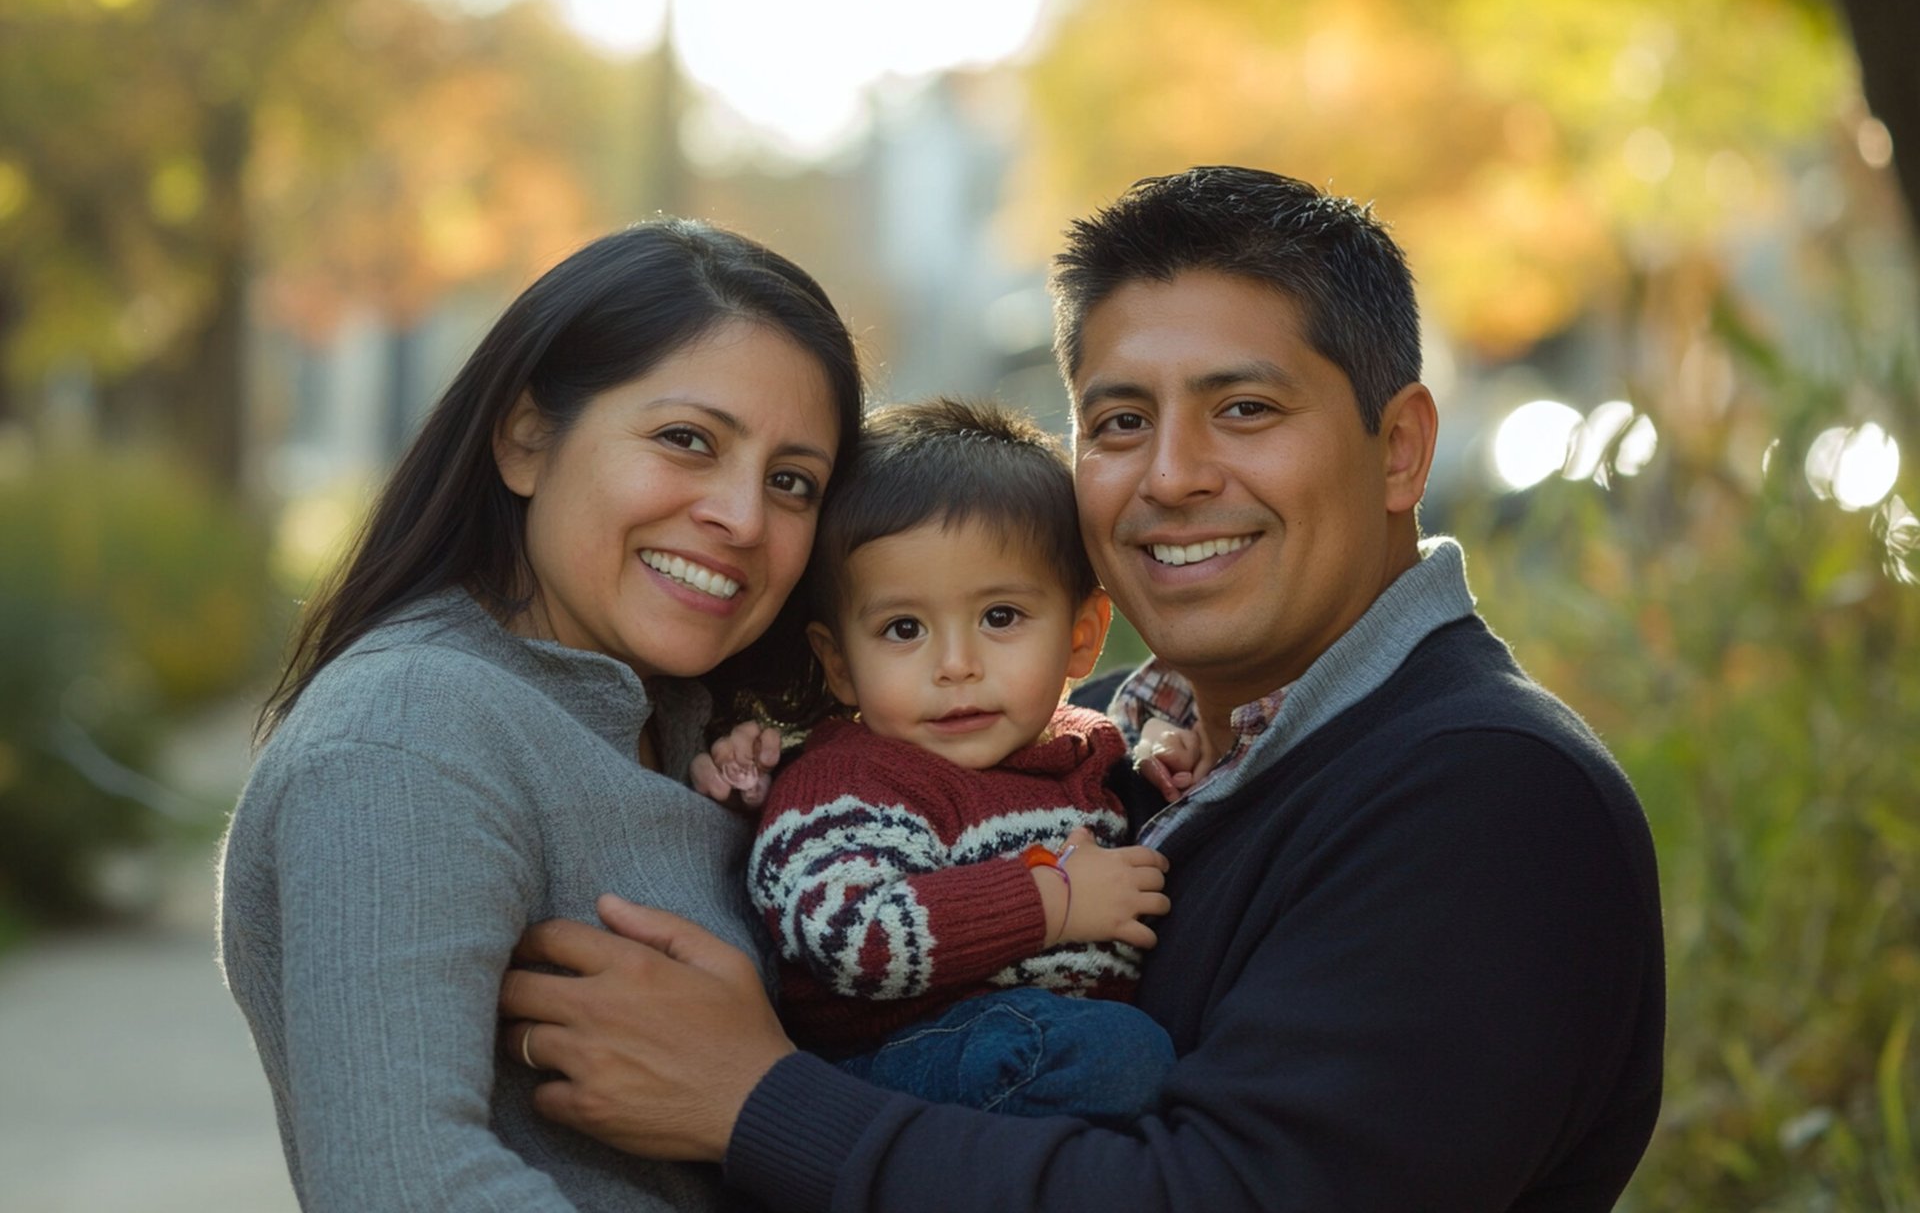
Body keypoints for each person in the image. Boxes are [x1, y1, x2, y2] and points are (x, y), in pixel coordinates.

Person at [497, 167, 1667, 1211]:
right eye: (1119, 421)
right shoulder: (1101, 736)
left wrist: (756, 1102)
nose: (1172, 475)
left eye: (1244, 409)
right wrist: (775, 753)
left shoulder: (1491, 793)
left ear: (1401, 447)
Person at [217, 220, 863, 1211]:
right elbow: (405, 1182)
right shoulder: (410, 732)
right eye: (687, 439)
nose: (742, 515)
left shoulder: (704, 731)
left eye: (792, 481)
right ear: (526, 437)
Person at [706, 398, 1173, 1121]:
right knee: (1117, 1053)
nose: (956, 665)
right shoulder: (855, 780)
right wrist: (1054, 900)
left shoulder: (1080, 746)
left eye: (1000, 617)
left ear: (1082, 636)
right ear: (839, 664)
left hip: (1026, 1050)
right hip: (897, 1064)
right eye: (903, 628)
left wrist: (1166, 747)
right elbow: (846, 932)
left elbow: (1109, 731)